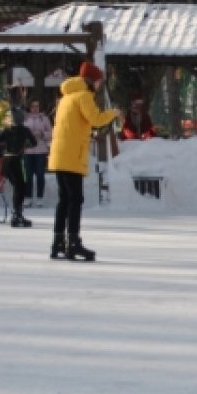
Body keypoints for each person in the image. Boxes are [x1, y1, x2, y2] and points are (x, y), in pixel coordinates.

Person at [47, 61, 120, 261]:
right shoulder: (84, 96)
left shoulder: (65, 98)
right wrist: (113, 113)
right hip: (73, 156)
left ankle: (58, 241)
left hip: (60, 155)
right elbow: (95, 118)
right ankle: (73, 242)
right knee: (75, 200)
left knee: (64, 200)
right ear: (91, 81)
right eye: (98, 82)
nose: (98, 86)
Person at [0, 108, 37, 228]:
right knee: (20, 187)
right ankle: (17, 213)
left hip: (6, 161)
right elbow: (34, 143)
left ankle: (17, 213)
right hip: (17, 160)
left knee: (17, 186)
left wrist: (5, 145)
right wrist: (25, 145)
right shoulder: (25, 130)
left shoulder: (7, 130)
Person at [23, 99, 52, 207]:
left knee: (40, 174)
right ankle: (28, 197)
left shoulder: (44, 118)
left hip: (41, 150)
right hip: (28, 150)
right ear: (29, 107)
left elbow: (50, 133)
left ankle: (40, 197)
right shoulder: (25, 118)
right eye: (33, 106)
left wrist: (42, 134)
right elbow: (21, 132)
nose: (35, 108)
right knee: (28, 175)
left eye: (37, 106)